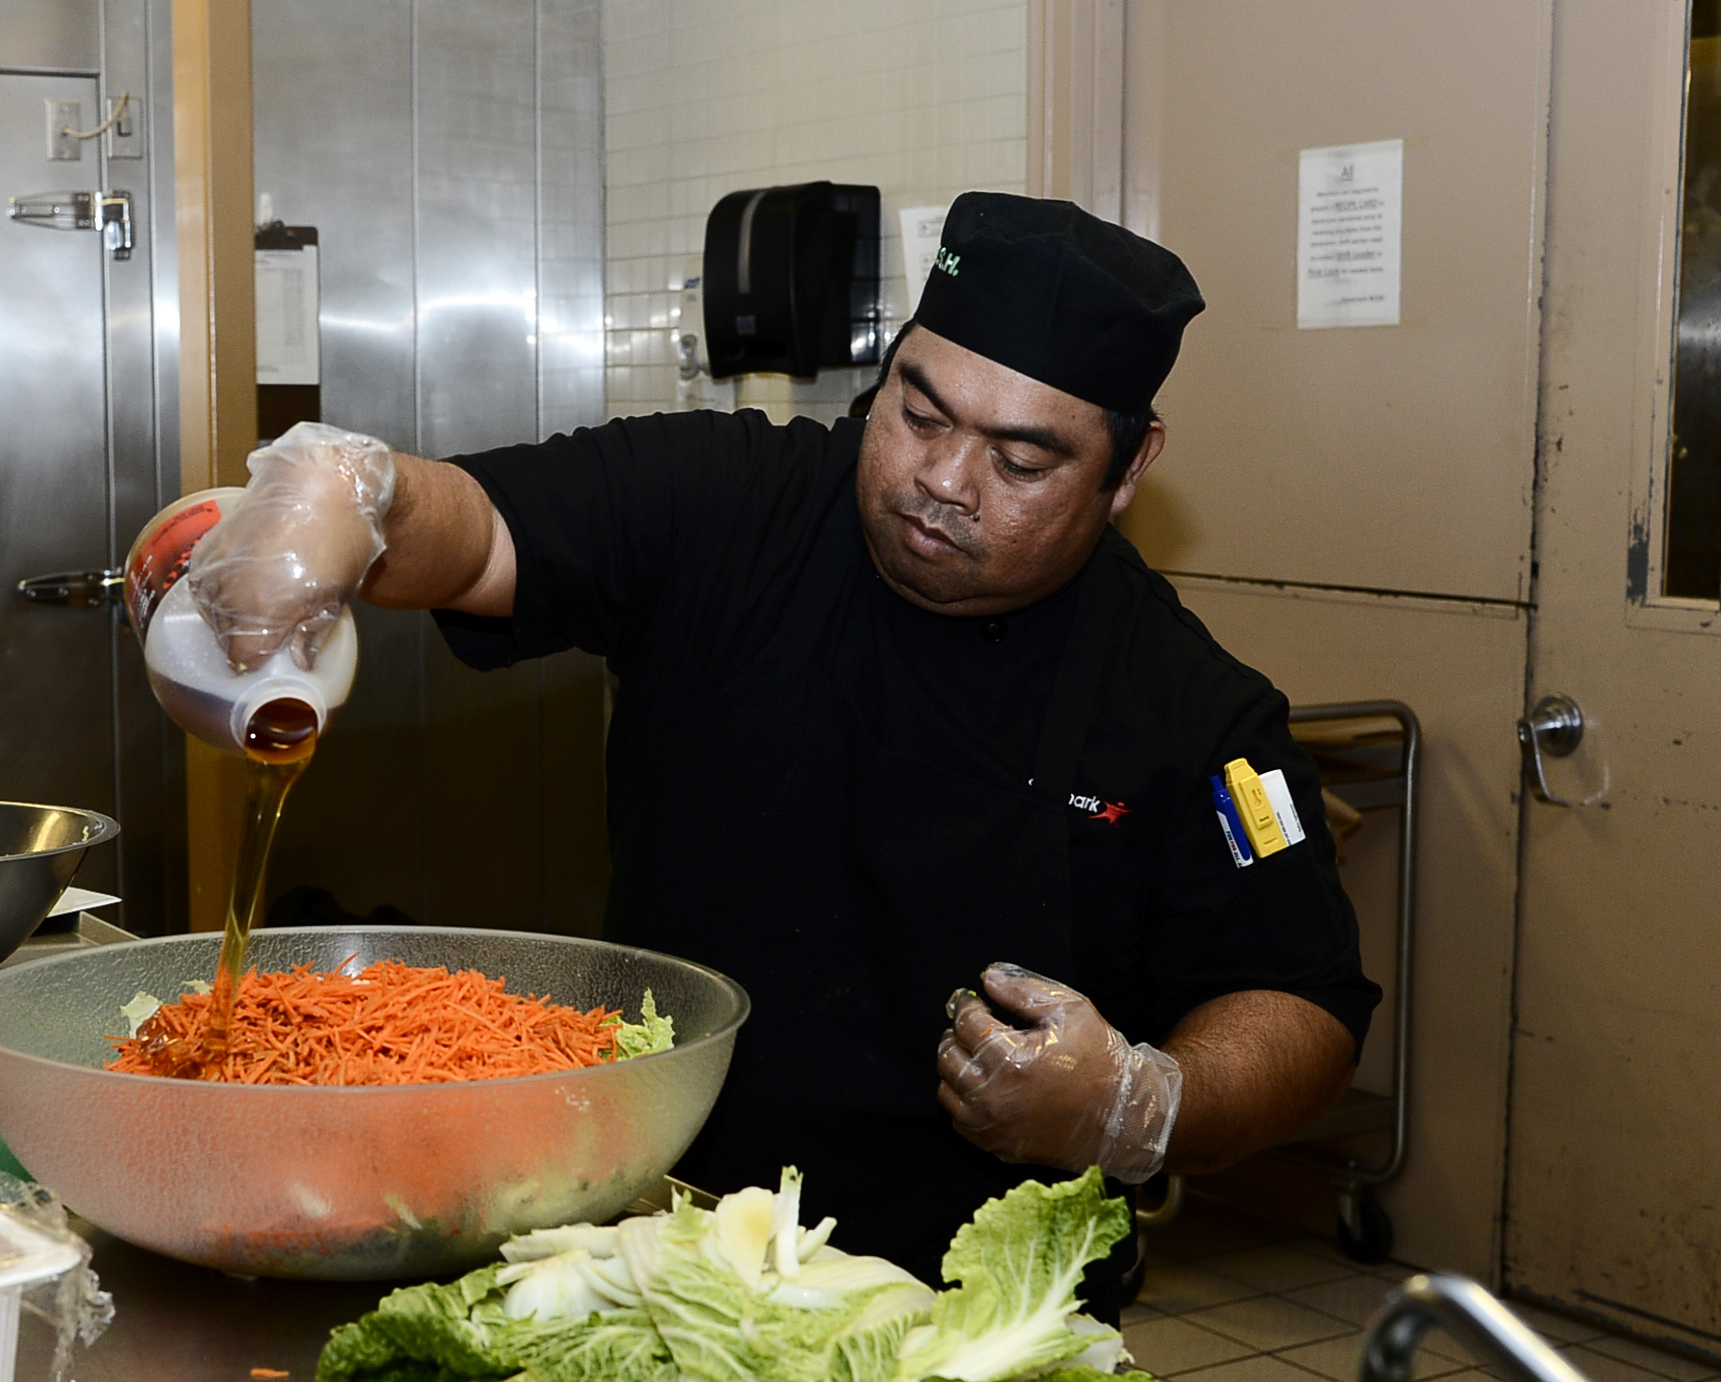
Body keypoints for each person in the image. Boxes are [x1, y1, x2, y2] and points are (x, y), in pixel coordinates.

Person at [181, 191, 1380, 1297]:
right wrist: (358, 497)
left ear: (1130, 471)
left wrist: (1136, 1104)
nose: (943, 480)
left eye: (1019, 460)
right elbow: (484, 530)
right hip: (650, 1224)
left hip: (965, 1292)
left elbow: (1300, 1002)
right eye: (918, 413)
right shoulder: (730, 502)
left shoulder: (1194, 707)